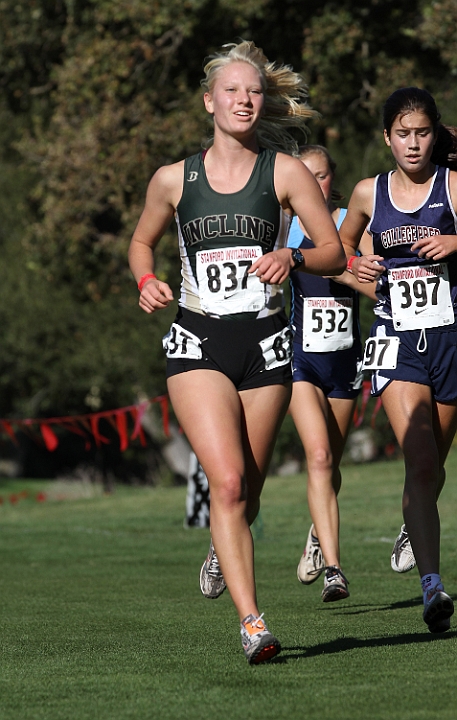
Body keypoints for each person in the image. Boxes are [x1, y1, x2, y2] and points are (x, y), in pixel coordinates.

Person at [128, 41, 346, 664]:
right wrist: (147, 281)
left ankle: (223, 547)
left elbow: (334, 249)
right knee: (224, 482)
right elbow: (140, 243)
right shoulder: (175, 179)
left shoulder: (285, 173)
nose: (245, 100)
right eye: (232, 91)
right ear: (209, 102)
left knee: (246, 488)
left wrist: (293, 255)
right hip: (198, 339)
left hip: (266, 343)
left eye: (253, 91)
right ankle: (253, 624)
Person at [339, 87, 457, 633]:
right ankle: (432, 587)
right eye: (403, 134)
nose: (413, 144)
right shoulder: (369, 192)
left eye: (423, 132)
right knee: (422, 460)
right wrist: (358, 267)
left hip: (450, 337)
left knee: (434, 463)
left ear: (436, 134)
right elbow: (336, 252)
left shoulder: (453, 187)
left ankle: (416, 518)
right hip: (396, 339)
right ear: (387, 137)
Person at [288, 145, 376, 603]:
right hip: (300, 362)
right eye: (305, 175)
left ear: (332, 179)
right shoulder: (285, 227)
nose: (314, 184)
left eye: (321, 176)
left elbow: (378, 287)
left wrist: (347, 271)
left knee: (332, 464)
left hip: (345, 362)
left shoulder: (350, 223)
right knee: (319, 457)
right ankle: (335, 571)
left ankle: (317, 533)